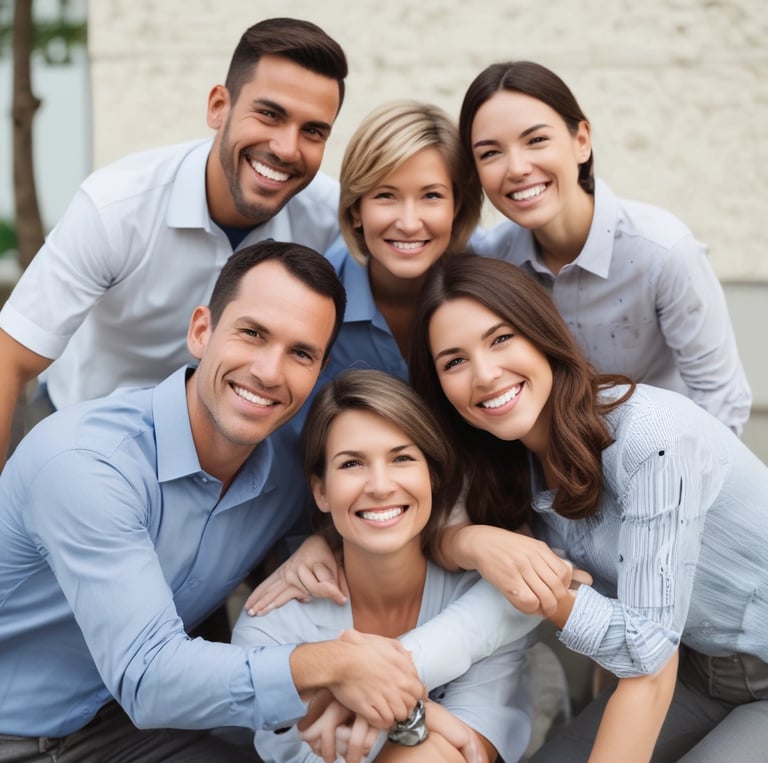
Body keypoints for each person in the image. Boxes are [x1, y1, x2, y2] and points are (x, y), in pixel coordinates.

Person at [0, 241, 432, 763]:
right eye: (253, 334)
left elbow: (378, 510)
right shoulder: (87, 463)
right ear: (201, 331)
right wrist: (335, 663)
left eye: (301, 353)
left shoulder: (290, 469)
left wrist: (322, 540)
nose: (271, 372)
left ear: (318, 372)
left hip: (132, 732)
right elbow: (150, 677)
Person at [408, 253, 768, 762]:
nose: (485, 374)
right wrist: (474, 540)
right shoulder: (505, 466)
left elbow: (643, 648)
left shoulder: (653, 439)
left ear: (542, 334)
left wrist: (552, 594)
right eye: (455, 361)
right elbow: (431, 531)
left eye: (501, 338)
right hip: (695, 670)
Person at [0, 16, 348, 469]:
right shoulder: (115, 207)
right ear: (218, 106)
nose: (286, 148)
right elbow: (10, 359)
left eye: (313, 131)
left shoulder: (328, 215)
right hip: (84, 426)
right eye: (269, 114)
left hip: (223, 443)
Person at [233, 369, 537, 763]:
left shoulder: (485, 595)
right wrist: (418, 715)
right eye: (351, 464)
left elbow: (470, 752)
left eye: (402, 458)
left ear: (433, 476)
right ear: (321, 491)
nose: (379, 485)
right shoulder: (269, 631)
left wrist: (399, 709)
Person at [463, 61, 751, 434]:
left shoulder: (663, 253)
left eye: (536, 140)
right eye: (490, 153)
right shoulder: (491, 261)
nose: (516, 168)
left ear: (581, 141)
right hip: (552, 479)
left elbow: (721, 403)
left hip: (667, 469)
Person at [281, 98, 482, 438]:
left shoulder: (490, 289)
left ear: (457, 207)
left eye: (431, 196)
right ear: (356, 208)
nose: (408, 223)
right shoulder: (308, 305)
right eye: (386, 195)